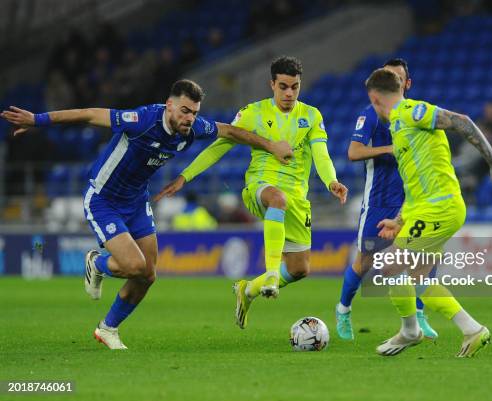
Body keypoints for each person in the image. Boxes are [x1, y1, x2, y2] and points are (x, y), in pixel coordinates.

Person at [1, 79, 292, 349]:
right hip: (104, 199)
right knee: (134, 266)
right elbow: (90, 114)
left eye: (194, 112)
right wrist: (37, 120)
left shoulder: (193, 128)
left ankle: (108, 328)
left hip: (137, 201)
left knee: (149, 274)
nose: (190, 118)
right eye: (185, 111)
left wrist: (271, 146)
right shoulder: (141, 120)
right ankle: (98, 263)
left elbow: (230, 131)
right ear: (169, 106)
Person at [155, 56, 348, 329]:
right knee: (277, 199)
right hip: (261, 186)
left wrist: (332, 181)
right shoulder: (252, 113)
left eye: (295, 87)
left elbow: (322, 154)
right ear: (272, 84)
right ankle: (270, 274)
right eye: (283, 86)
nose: (289, 93)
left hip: (296, 198)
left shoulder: (311, 116)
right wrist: (186, 176)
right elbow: (219, 146)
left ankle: (247, 290)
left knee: (299, 268)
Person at [363, 68, 492, 357]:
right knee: (419, 278)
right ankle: (472, 330)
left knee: (389, 264)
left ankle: (410, 331)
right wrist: (399, 219)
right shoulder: (398, 126)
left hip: (440, 207)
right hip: (426, 208)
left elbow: (462, 121)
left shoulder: (412, 112)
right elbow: (417, 180)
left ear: (375, 98)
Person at [335, 58, 438, 341]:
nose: (392, 79)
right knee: (365, 261)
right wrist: (389, 149)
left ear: (406, 83)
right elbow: (353, 152)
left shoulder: (416, 113)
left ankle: (418, 317)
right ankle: (343, 309)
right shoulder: (370, 114)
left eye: (397, 76)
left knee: (425, 254)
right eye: (387, 75)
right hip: (379, 200)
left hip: (411, 199)